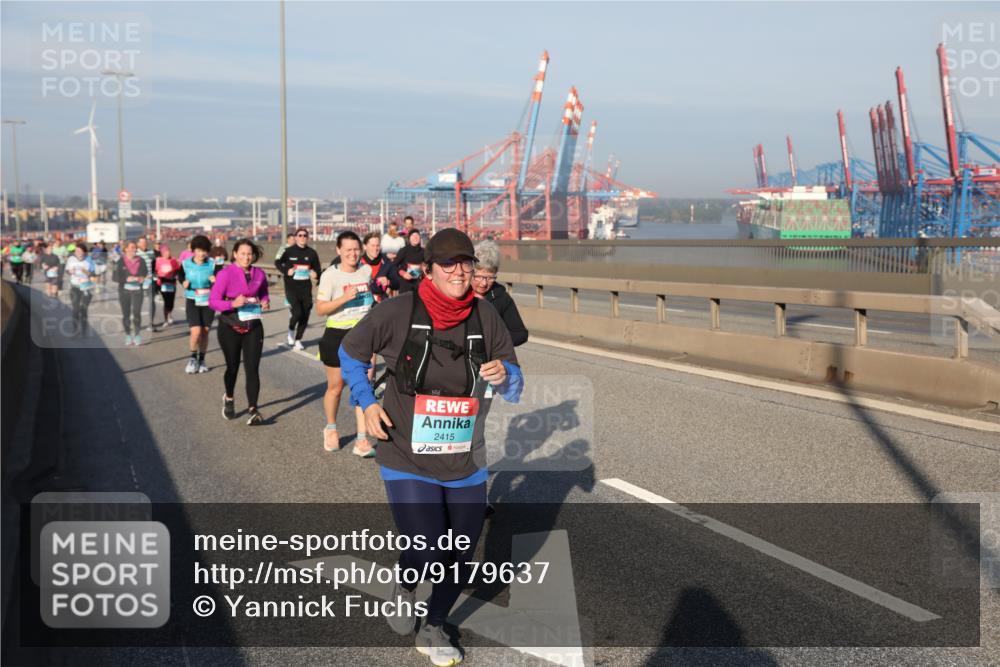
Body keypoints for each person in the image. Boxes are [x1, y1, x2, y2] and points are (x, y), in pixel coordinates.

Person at [340, 228, 523, 665]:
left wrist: (505, 376)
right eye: (448, 264)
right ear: (429, 270)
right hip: (405, 450)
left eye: (466, 263)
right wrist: (366, 401)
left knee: (460, 550)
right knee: (427, 544)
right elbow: (350, 353)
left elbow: (516, 384)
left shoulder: (485, 316)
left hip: (465, 457)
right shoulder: (398, 310)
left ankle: (435, 625)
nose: (459, 272)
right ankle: (406, 583)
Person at [315, 231, 375, 455]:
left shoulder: (366, 271)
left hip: (363, 335)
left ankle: (362, 440)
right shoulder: (330, 276)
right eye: (348, 249)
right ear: (338, 250)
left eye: (356, 249)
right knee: (336, 387)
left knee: (363, 387)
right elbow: (320, 309)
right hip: (337, 335)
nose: (353, 253)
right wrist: (343, 298)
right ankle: (331, 428)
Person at [210, 239, 270, 425]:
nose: (246, 257)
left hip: (253, 327)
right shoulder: (225, 274)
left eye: (249, 254)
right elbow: (213, 301)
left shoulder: (259, 273)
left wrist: (265, 301)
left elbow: (264, 292)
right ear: (235, 254)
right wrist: (232, 304)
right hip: (230, 327)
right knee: (233, 368)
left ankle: (253, 409)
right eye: (242, 253)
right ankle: (229, 397)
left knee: (252, 369)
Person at [472, 240, 528, 346]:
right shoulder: (459, 293)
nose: (484, 283)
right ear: (470, 271)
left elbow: (520, 334)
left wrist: (495, 342)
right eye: (479, 277)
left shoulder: (502, 298)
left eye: (490, 278)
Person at [274, 227, 320, 350]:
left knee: (305, 314)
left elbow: (318, 269)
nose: (302, 237)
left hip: (305, 288)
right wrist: (286, 271)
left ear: (308, 238)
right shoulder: (289, 251)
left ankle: (298, 339)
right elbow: (277, 262)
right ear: (295, 237)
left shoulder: (312, 253)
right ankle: (290, 331)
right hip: (291, 288)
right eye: (300, 235)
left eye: (305, 235)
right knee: (297, 312)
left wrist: (316, 274)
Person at [179, 235, 217, 374]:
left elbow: (220, 280)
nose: (201, 254)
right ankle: (193, 358)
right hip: (192, 299)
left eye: (204, 251)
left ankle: (202, 360)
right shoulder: (186, 263)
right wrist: (183, 282)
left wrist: (215, 280)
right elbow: (180, 275)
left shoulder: (212, 264)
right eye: (199, 251)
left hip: (208, 301)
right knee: (196, 332)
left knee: (205, 332)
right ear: (193, 250)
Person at [114, 240, 148, 346]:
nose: (134, 249)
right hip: (124, 291)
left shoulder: (141, 260)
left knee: (137, 313)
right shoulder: (120, 261)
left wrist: (141, 278)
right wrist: (126, 279)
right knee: (126, 314)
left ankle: (137, 335)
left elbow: (145, 273)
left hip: (137, 290)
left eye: (135, 247)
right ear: (126, 249)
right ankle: (128, 335)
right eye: (132, 247)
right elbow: (114, 277)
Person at [65, 242, 97, 335]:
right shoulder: (71, 259)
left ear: (84, 252)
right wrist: (70, 271)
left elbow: (94, 275)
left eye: (79, 251)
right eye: (76, 251)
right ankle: (75, 330)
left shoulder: (89, 260)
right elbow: (67, 270)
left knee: (83, 309)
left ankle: (84, 330)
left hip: (86, 288)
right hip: (74, 287)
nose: (77, 252)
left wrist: (86, 272)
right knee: (75, 309)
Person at [360, 232, 394, 303]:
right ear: (365, 247)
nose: (375, 248)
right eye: (372, 245)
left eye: (377, 245)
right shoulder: (358, 263)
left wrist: (388, 282)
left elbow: (397, 282)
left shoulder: (386, 261)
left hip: (382, 303)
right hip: (363, 303)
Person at [154, 245, 182, 326]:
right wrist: (158, 276)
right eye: (166, 252)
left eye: (168, 251)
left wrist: (174, 275)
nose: (168, 253)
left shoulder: (173, 260)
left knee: (171, 302)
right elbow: (155, 271)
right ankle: (166, 319)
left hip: (172, 283)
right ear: (162, 253)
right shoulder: (158, 260)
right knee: (166, 301)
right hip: (162, 283)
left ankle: (169, 314)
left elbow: (177, 270)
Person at [393, 228, 424, 294]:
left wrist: (423, 268)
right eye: (413, 235)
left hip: (419, 285)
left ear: (420, 238)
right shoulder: (403, 251)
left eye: (417, 235)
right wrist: (403, 273)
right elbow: (393, 266)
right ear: (409, 238)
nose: (415, 237)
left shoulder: (424, 252)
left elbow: (428, 266)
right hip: (405, 285)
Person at [136, 237, 157, 330]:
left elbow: (154, 265)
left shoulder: (151, 253)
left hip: (149, 280)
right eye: (142, 242)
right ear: (138, 244)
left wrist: (154, 275)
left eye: (145, 242)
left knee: (151, 302)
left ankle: (151, 323)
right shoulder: (135, 253)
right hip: (138, 281)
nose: (144, 244)